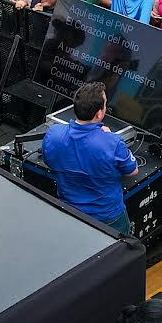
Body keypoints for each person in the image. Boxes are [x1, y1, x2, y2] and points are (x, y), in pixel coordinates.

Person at [41, 82, 137, 232]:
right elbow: (132, 171)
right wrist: (110, 137)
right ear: (99, 114)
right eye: (105, 105)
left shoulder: (53, 135)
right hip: (109, 218)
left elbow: (49, 162)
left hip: (70, 213)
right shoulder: (113, 143)